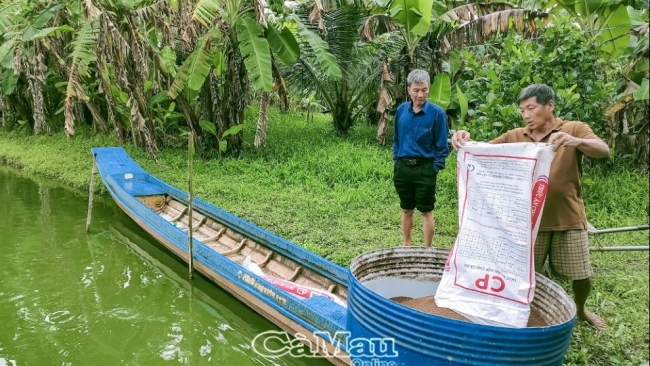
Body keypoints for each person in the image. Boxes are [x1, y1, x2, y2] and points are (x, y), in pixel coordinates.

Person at [450, 83, 609, 329]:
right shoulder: (515, 136)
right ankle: (524, 313)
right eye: (522, 110)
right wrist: (463, 139)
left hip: (568, 216)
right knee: (522, 275)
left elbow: (603, 150)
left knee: (581, 273)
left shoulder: (573, 128)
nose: (526, 115)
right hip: (525, 222)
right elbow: (481, 151)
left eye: (531, 108)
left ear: (550, 106)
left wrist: (574, 141)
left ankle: (580, 309)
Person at [393, 69, 450, 248]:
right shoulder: (401, 111)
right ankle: (406, 244)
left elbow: (442, 146)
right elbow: (396, 138)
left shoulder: (437, 114)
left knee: (426, 211)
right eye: (416, 90)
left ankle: (427, 249)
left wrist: (434, 168)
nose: (420, 95)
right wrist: (397, 160)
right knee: (406, 208)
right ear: (409, 89)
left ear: (429, 88)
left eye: (424, 90)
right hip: (403, 168)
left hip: (425, 168)